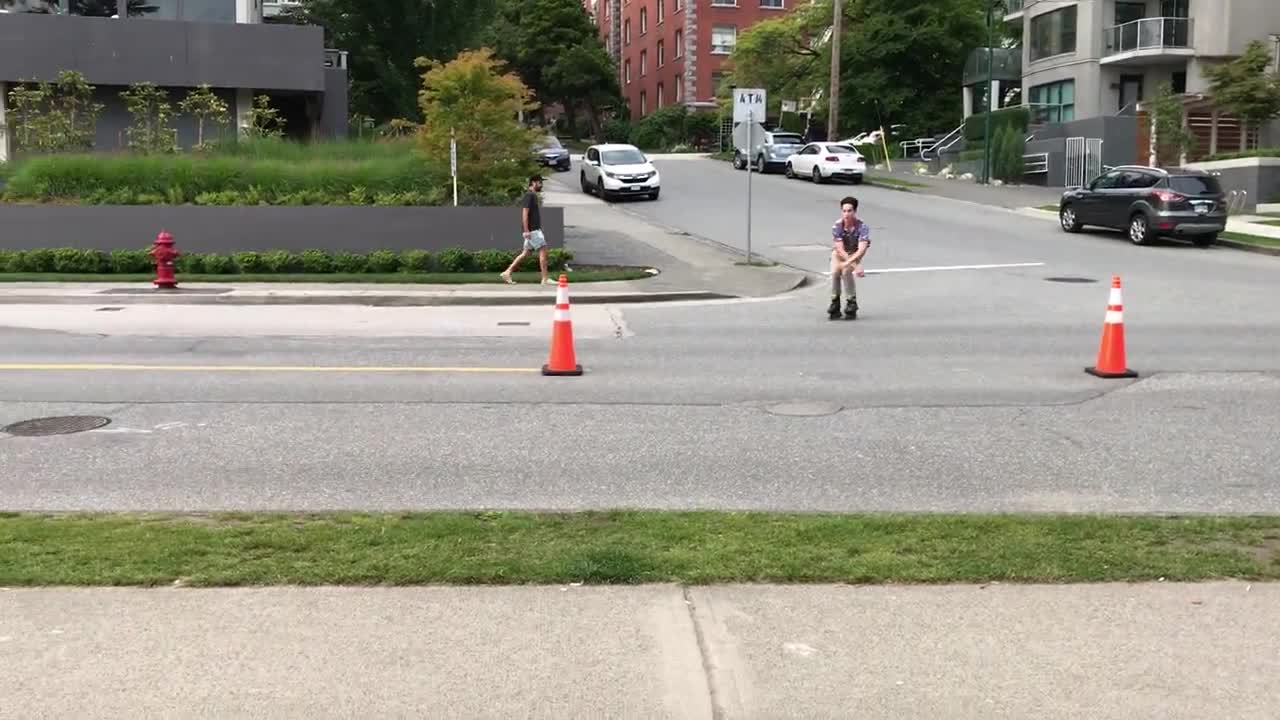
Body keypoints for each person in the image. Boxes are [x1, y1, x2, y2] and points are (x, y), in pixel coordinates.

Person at [501, 174, 549, 285]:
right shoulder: (529, 195)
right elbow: (525, 212)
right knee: (543, 251)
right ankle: (545, 278)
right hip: (533, 231)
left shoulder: (532, 195)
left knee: (525, 254)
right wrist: (527, 230)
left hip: (532, 230)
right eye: (540, 182)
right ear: (533, 183)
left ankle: (507, 272)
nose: (541, 185)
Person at [828, 195, 870, 320]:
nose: (846, 214)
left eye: (849, 211)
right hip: (839, 253)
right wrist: (856, 266)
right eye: (844, 211)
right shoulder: (837, 226)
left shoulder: (862, 227)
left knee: (846, 272)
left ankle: (851, 302)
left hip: (854, 253)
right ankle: (835, 302)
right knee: (835, 272)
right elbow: (839, 249)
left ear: (855, 211)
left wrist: (852, 263)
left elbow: (862, 249)